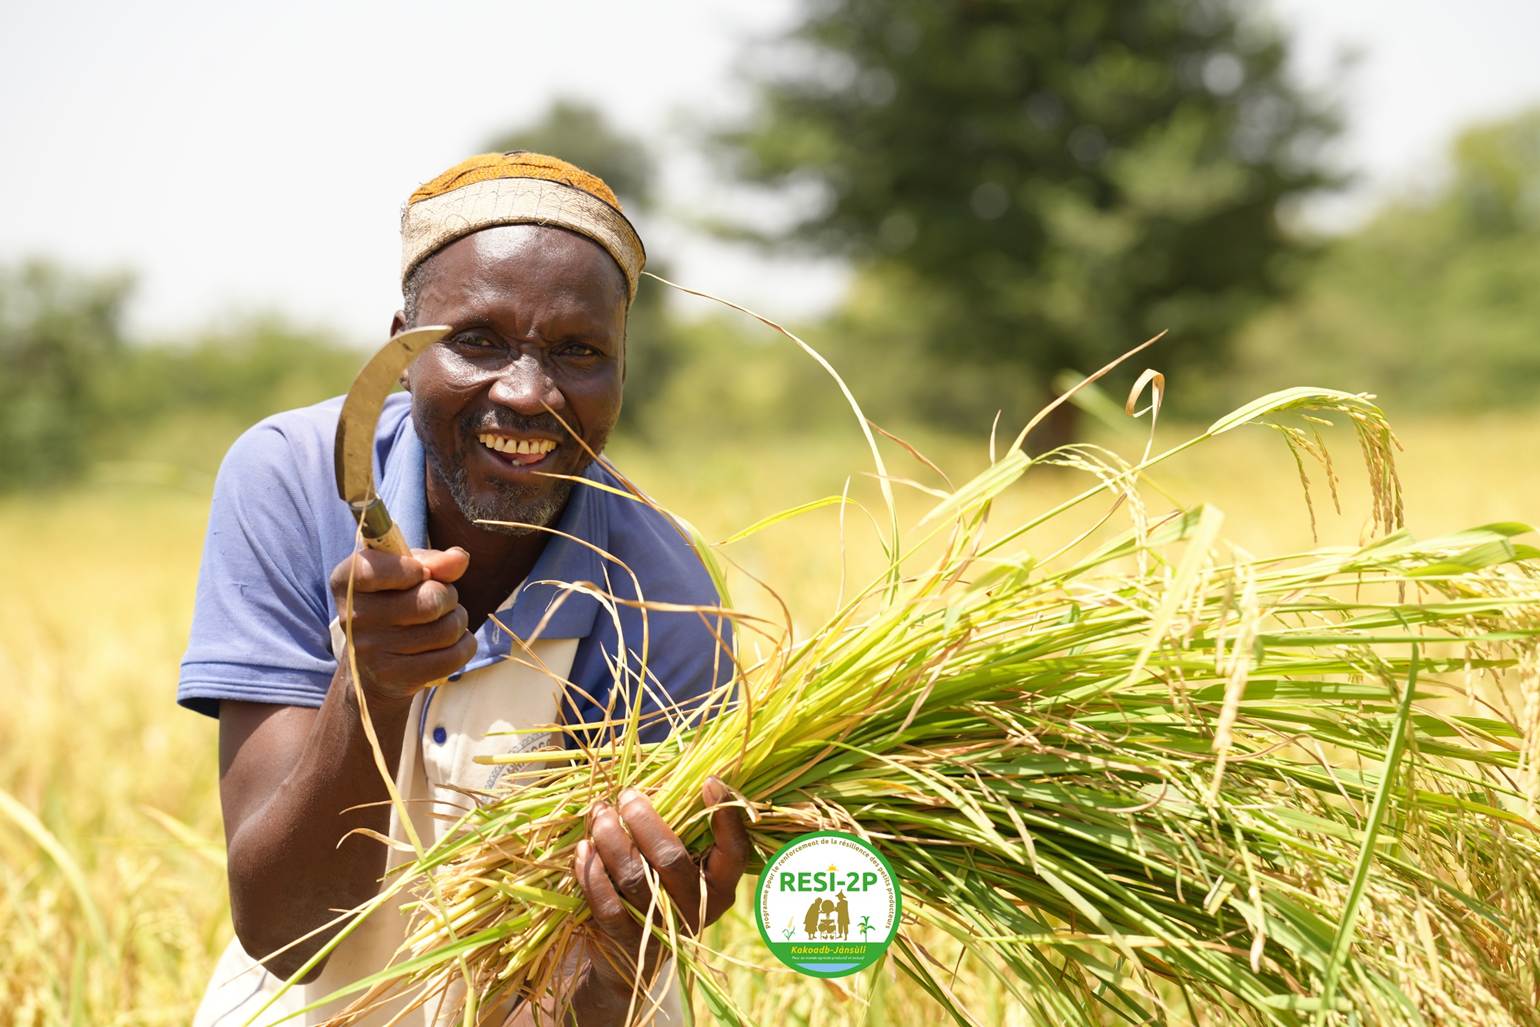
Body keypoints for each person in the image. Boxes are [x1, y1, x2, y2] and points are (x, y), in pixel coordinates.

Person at [177, 152, 748, 1026]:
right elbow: (287, 934)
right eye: (477, 340)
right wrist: (370, 687)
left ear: (622, 371)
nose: (527, 392)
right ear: (401, 348)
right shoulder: (292, 481)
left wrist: (625, 953)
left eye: (579, 351)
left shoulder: (663, 594)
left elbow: (592, 984)